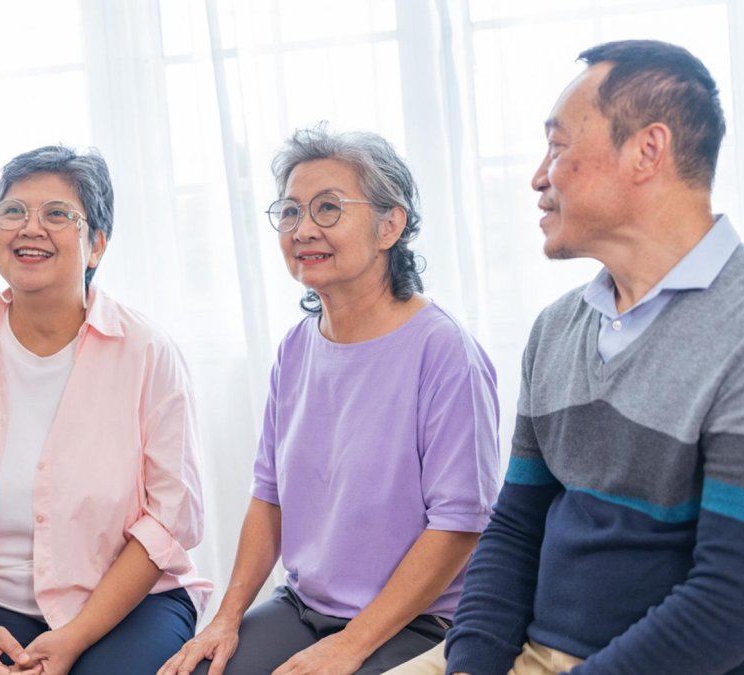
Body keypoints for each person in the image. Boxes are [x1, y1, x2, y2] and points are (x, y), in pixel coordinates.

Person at [393, 40, 744, 675]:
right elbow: (515, 531)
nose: (537, 176)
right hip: (531, 651)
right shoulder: (557, 329)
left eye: (558, 146)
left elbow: (731, 607)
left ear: (647, 150)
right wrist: (469, 665)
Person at [158, 126, 500, 675]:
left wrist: (349, 645)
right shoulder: (296, 347)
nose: (303, 229)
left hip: (417, 621)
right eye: (290, 212)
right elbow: (269, 498)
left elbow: (458, 527)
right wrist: (225, 618)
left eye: (328, 208)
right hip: (303, 607)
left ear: (391, 225)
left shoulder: (445, 352)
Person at [0, 145, 212, 675]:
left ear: (97, 246)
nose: (29, 228)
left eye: (57, 214)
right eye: (13, 212)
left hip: (127, 605)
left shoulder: (147, 352)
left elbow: (169, 520)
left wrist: (74, 637)